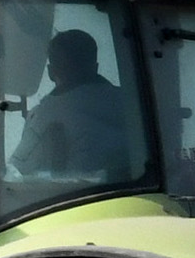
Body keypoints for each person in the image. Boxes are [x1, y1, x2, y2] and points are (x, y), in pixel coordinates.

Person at [19, 24, 129, 186]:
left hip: (72, 202)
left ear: (50, 72)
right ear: (96, 67)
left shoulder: (44, 116)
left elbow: (19, 174)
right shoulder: (134, 106)